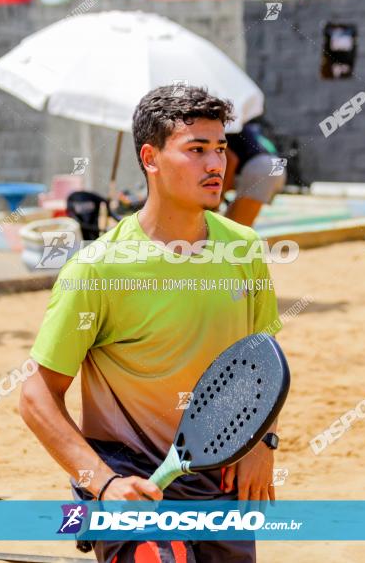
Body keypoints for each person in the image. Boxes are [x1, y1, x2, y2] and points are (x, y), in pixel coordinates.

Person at [20, 85, 283, 562]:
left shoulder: (244, 247)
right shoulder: (98, 269)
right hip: (130, 478)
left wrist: (263, 441)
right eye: (196, 150)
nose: (215, 165)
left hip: (218, 479)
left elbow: (259, 364)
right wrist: (103, 484)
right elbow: (37, 395)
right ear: (151, 158)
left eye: (220, 149)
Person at [223, 121, 286, 227]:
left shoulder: (220, 129)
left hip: (261, 167)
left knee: (234, 229)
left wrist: (220, 195)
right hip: (276, 165)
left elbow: (231, 160)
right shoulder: (244, 125)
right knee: (232, 224)